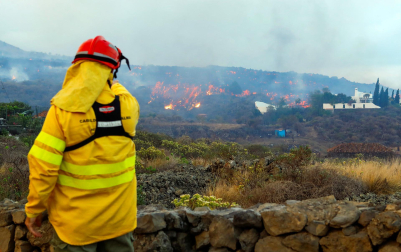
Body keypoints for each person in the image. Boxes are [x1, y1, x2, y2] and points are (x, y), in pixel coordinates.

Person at [24, 36, 140, 252]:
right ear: (111, 70)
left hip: (76, 228)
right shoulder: (129, 106)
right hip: (120, 223)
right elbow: (117, 88)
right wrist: (110, 78)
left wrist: (34, 211)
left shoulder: (61, 111)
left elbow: (43, 169)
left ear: (77, 68)